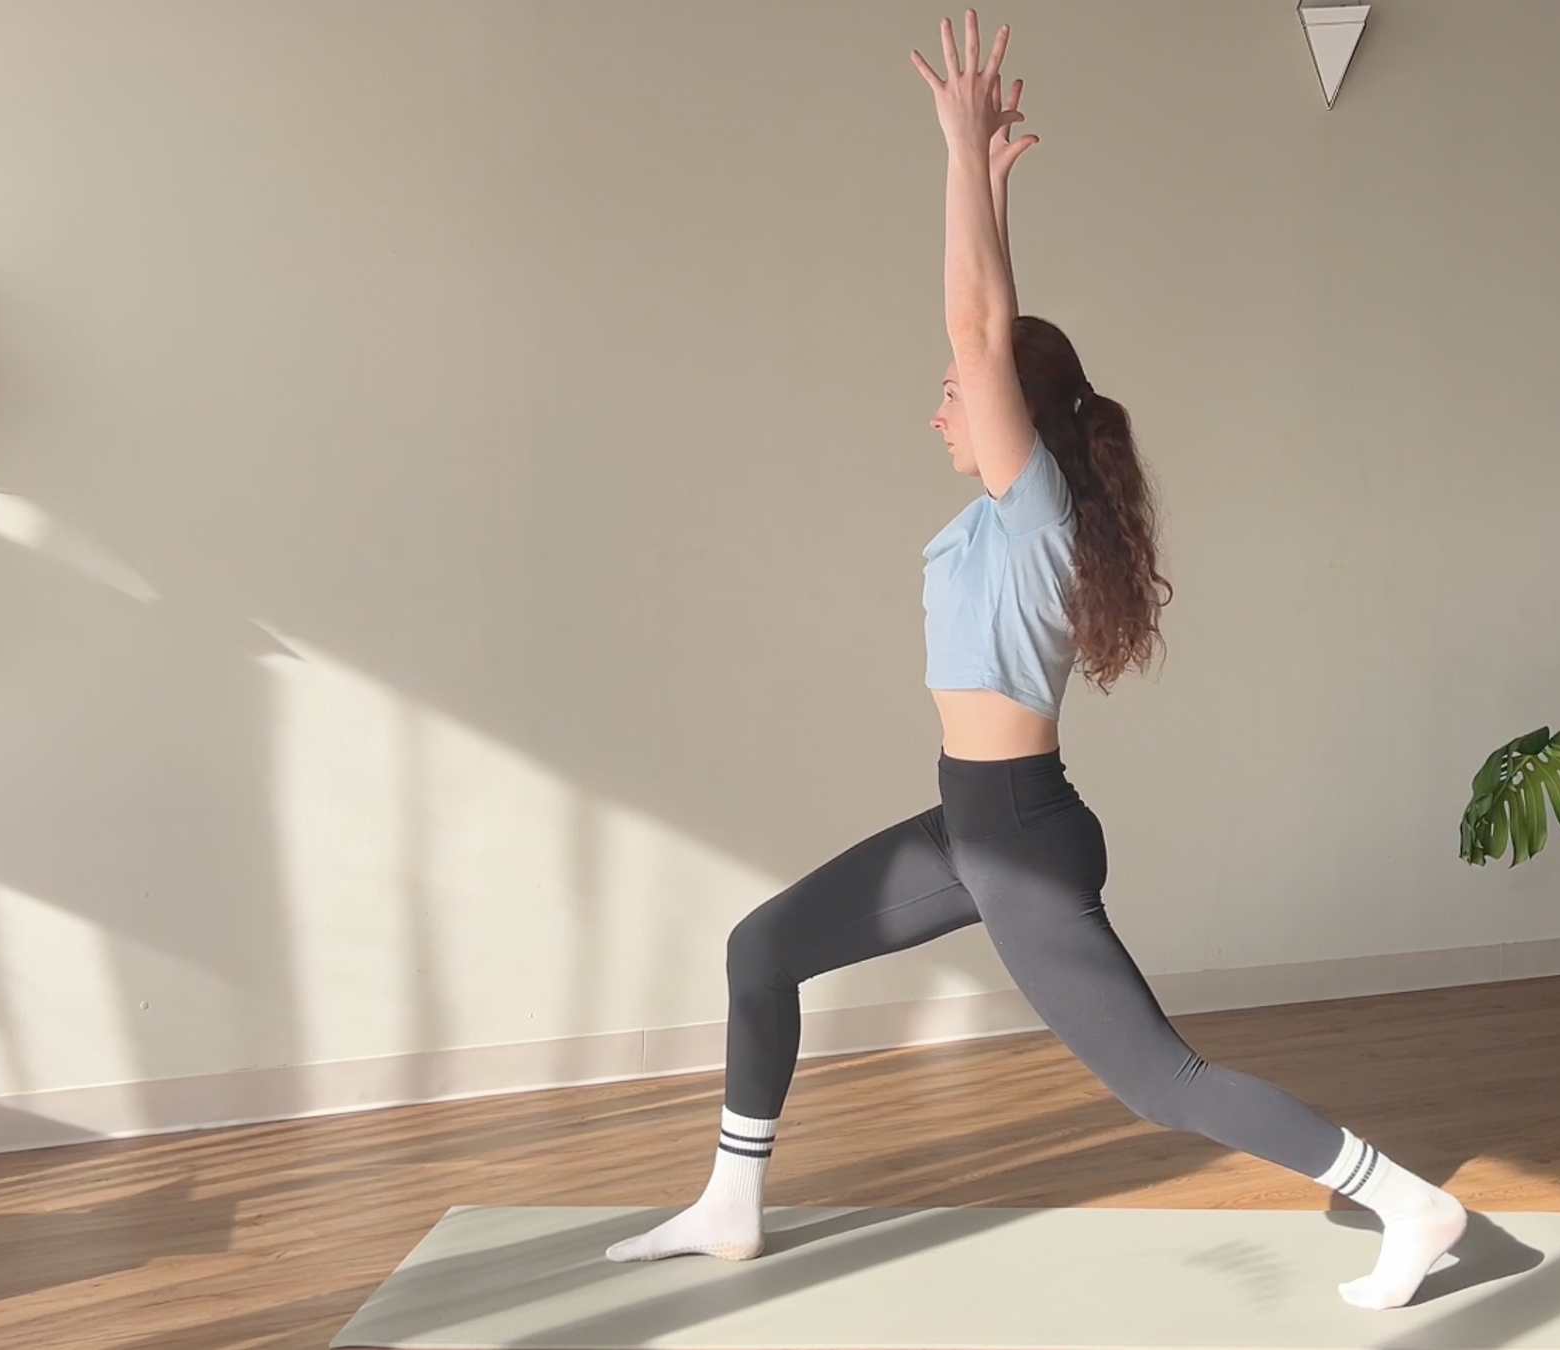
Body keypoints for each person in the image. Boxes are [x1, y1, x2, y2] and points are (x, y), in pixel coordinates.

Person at [604, 11, 1469, 1312]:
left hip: (1013, 837)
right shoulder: (1001, 515)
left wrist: (957, 149)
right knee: (761, 948)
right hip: (975, 825)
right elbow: (987, 322)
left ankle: (1409, 1202)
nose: (941, 401)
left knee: (1160, 1085)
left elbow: (976, 325)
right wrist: (999, 193)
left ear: (1008, 401)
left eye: (958, 390)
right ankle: (729, 1202)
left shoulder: (1034, 511)